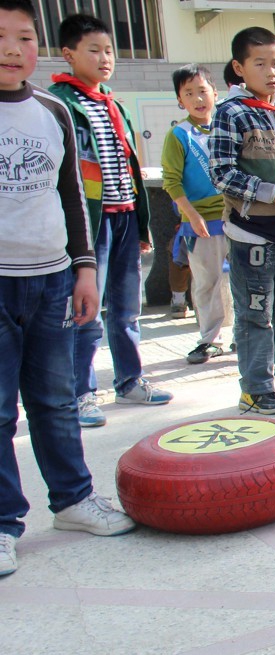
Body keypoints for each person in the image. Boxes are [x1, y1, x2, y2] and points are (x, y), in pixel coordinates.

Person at [0, 0, 136, 576]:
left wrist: (84, 267)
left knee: (55, 401)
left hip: (53, 279)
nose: (12, 49)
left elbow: (72, 197)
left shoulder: (54, 112)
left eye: (24, 36)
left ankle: (74, 500)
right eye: (1, 37)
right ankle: (5, 523)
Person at [50, 13, 172, 429]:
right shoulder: (60, 103)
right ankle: (81, 393)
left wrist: (140, 228)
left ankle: (130, 381)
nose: (105, 59)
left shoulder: (115, 105)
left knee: (127, 308)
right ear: (68, 54)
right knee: (86, 310)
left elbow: (131, 168)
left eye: (109, 51)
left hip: (123, 220)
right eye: (93, 51)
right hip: (89, 224)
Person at [209, 26, 275, 414]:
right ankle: (255, 388)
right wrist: (272, 194)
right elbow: (221, 172)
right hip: (252, 232)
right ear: (239, 67)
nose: (272, 72)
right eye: (260, 63)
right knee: (255, 311)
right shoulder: (230, 112)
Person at [162, 64, 231, 365]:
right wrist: (191, 215)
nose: (197, 98)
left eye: (202, 90)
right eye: (189, 93)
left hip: (238, 217)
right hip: (202, 223)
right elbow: (171, 181)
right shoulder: (178, 135)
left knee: (246, 281)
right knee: (206, 283)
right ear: (180, 100)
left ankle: (246, 335)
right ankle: (210, 339)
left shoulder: (227, 127)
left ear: (215, 93)